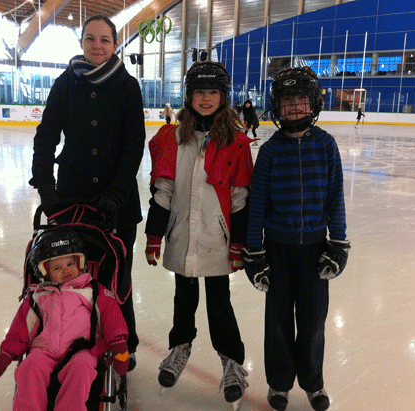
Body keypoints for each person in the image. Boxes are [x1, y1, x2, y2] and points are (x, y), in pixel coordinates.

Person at [28, 14, 145, 371]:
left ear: (115, 45)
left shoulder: (127, 87)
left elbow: (133, 146)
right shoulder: (65, 84)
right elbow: (46, 137)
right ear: (82, 43)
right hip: (71, 201)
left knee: (115, 275)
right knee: (69, 275)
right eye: (90, 39)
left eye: (105, 40)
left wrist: (115, 195)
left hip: (118, 205)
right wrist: (47, 189)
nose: (97, 46)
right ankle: (69, 340)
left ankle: (125, 342)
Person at [144, 61, 253, 410]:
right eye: (199, 92)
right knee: (183, 298)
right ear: (189, 96)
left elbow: (239, 200)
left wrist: (238, 244)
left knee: (220, 305)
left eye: (213, 92)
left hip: (218, 241)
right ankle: (179, 349)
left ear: (224, 97)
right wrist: (154, 236)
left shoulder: (235, 143)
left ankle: (232, 363)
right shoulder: (171, 138)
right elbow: (163, 192)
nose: (206, 99)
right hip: (182, 235)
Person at [244, 66, 350, 411]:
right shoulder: (271, 151)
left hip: (315, 249)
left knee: (313, 321)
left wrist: (339, 243)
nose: (294, 108)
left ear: (313, 103)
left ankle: (312, 382)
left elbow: (335, 197)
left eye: (301, 101)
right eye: (287, 102)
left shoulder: (326, 145)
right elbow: (257, 204)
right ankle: (279, 383)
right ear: (277, 106)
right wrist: (255, 253)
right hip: (277, 249)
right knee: (277, 321)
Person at [0, 228, 130, 411]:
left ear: (80, 262)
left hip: (82, 349)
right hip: (44, 350)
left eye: (70, 264)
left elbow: (111, 317)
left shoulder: (93, 291)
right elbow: (21, 329)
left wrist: (118, 343)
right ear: (45, 272)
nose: (65, 271)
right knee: (29, 368)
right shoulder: (38, 297)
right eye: (57, 268)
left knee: (81, 368)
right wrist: (5, 355)